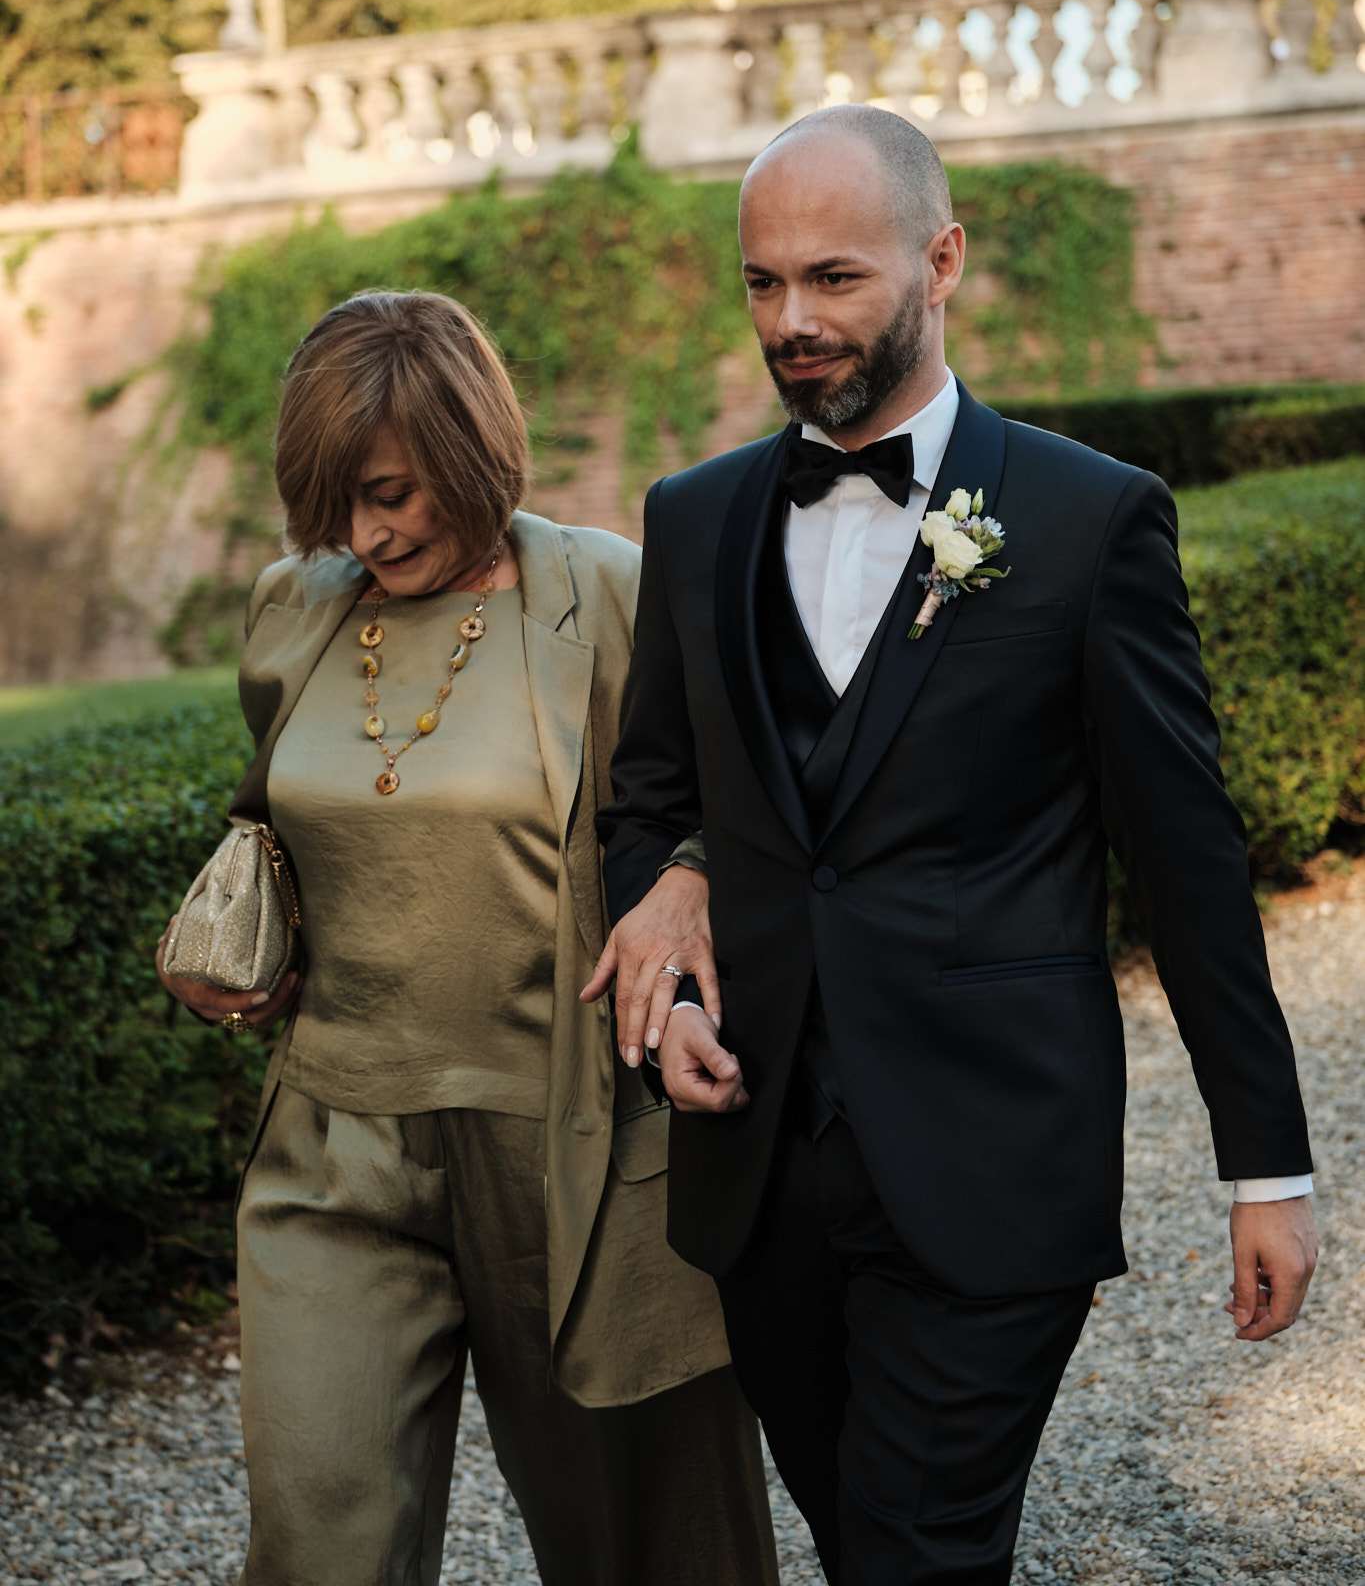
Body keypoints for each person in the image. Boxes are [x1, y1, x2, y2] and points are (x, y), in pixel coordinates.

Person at [590, 105, 1319, 1585]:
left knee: (916, 1548)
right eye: (762, 282)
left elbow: (1187, 861)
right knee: (859, 1535)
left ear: (941, 262)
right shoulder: (694, 520)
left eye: (833, 278)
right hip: (759, 1165)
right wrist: (665, 970)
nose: (791, 321)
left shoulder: (1089, 518)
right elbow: (648, 799)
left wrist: (1267, 1168)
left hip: (994, 1155)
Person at [155, 289, 778, 1586]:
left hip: (570, 1143)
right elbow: (277, 820)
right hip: (333, 1146)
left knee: (648, 1546)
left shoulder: (609, 592)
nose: (363, 534)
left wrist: (689, 880)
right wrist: (246, 941)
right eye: (334, 503)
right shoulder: (294, 610)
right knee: (318, 1540)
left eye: (390, 493)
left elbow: (740, 803)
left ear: (471, 452)